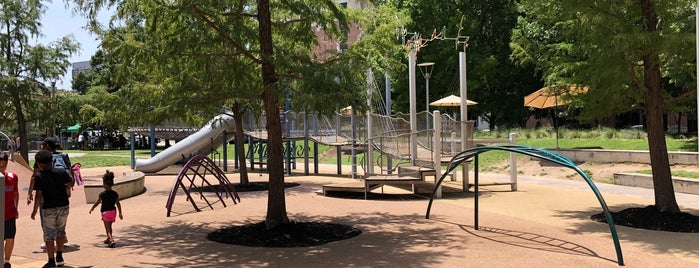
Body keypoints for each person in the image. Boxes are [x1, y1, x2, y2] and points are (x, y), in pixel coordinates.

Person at [31, 150, 72, 268]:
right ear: (52, 161)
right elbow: (71, 184)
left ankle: (51, 260)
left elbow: (38, 195)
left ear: (39, 164)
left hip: (49, 208)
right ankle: (59, 256)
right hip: (64, 206)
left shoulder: (39, 176)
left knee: (49, 235)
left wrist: (34, 211)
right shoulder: (61, 172)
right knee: (61, 231)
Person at [89, 170, 123, 248]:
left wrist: (92, 208)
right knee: (110, 226)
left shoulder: (102, 194)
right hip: (113, 212)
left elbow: (97, 202)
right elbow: (118, 203)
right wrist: (120, 213)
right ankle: (108, 238)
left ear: (105, 184)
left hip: (105, 213)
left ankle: (111, 239)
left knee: (107, 228)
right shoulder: (115, 193)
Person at [0, 153, 19, 268]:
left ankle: (7, 261)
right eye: (0, 166)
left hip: (10, 212)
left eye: (4, 165)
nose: (2, 168)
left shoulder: (13, 177)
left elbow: (16, 193)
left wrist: (16, 208)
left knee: (10, 237)